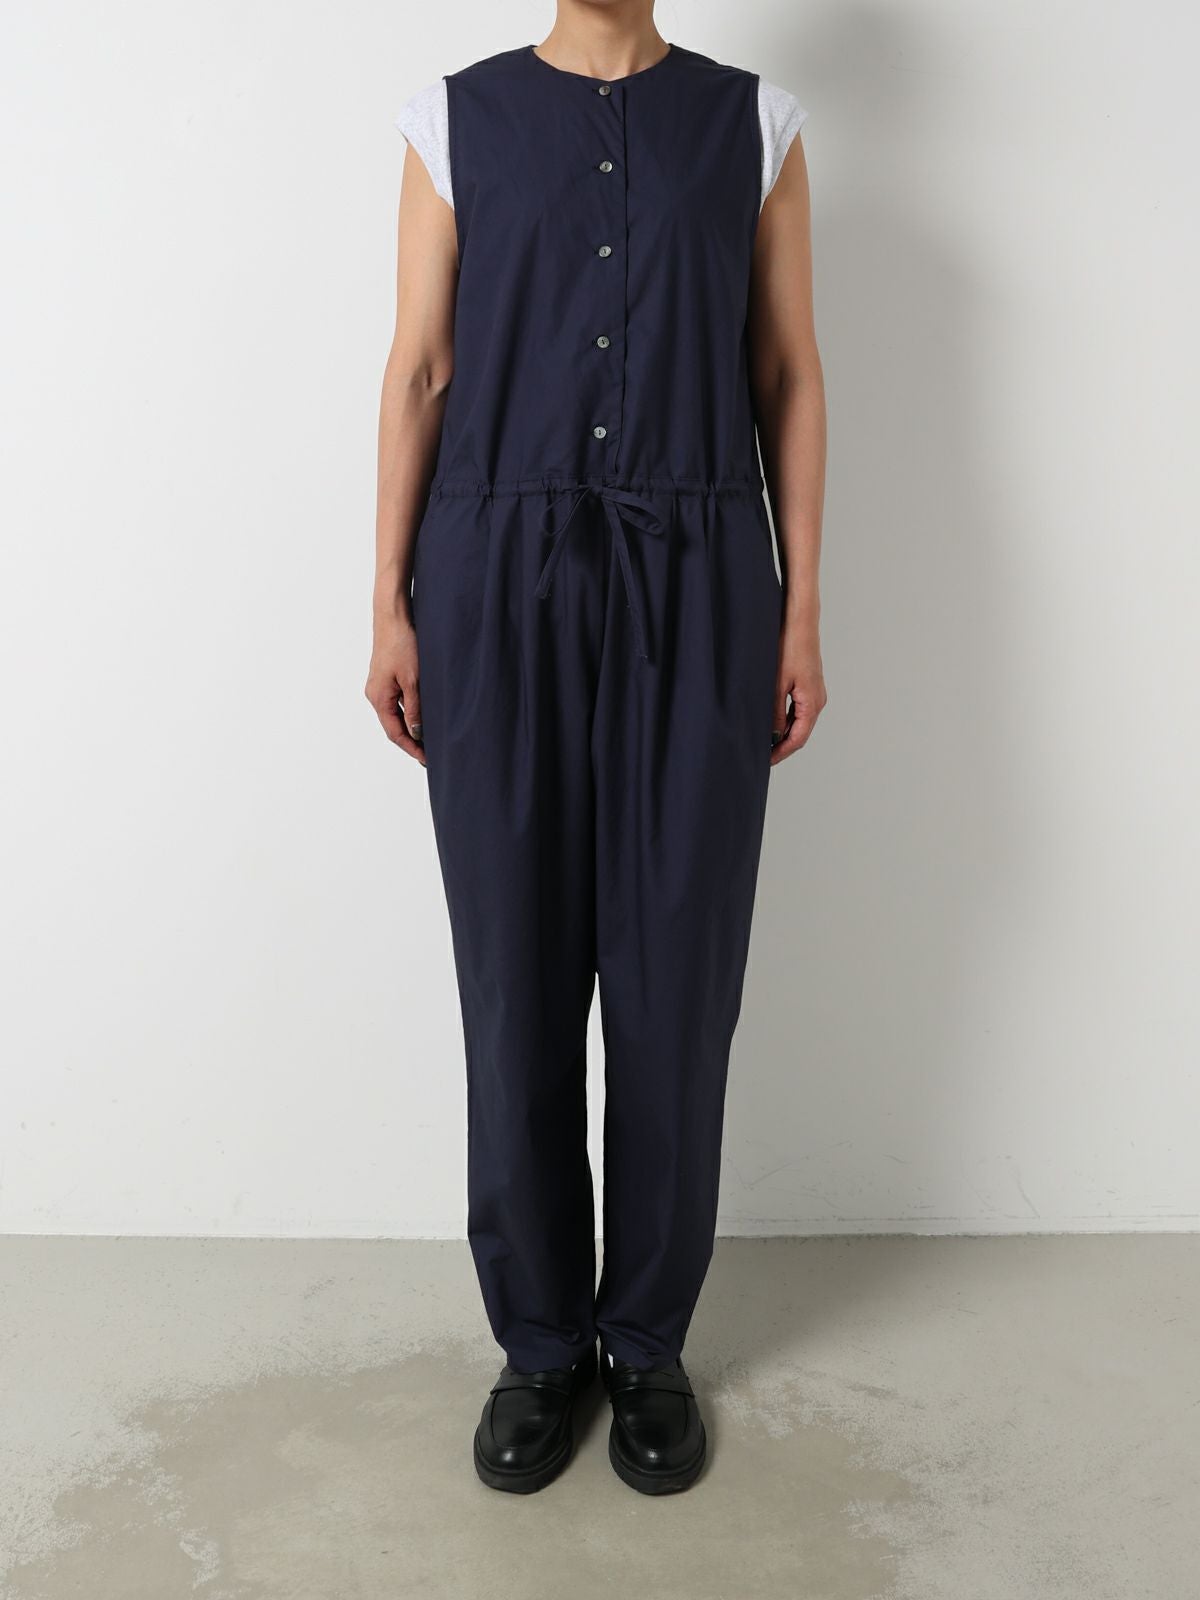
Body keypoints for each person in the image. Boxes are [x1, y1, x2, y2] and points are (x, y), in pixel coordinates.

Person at [367, 0, 826, 1496]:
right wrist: (388, 603)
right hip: (494, 575)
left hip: (701, 578)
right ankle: (541, 1344)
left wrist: (800, 610)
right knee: (513, 965)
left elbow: (787, 373)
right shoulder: (454, 121)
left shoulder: (755, 124)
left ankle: (646, 1343)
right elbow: (421, 368)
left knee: (678, 969)